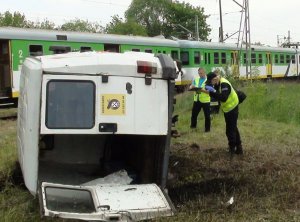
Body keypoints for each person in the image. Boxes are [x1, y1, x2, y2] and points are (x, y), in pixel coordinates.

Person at [205, 72, 243, 155]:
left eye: (211, 82)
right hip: (228, 109)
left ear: (214, 79)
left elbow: (223, 98)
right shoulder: (218, 83)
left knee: (230, 130)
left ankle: (232, 150)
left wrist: (211, 93)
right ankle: (239, 149)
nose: (211, 84)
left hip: (232, 108)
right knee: (233, 128)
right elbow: (218, 95)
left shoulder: (224, 84)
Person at [189, 68, 211, 132]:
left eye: (201, 73)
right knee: (194, 115)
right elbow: (191, 86)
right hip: (197, 100)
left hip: (205, 101)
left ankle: (207, 130)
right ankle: (193, 127)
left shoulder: (208, 81)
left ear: (204, 73)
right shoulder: (196, 79)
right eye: (199, 73)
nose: (200, 75)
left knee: (207, 116)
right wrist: (191, 87)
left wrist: (201, 90)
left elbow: (209, 92)